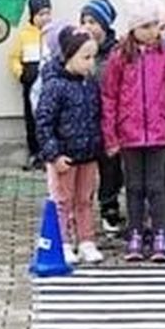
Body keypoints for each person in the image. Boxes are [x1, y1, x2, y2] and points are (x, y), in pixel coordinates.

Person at [100, 0, 165, 263]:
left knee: (157, 186)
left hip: (159, 134)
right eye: (145, 26)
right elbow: (110, 96)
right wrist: (110, 136)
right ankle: (135, 233)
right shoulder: (119, 57)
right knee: (134, 186)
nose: (152, 32)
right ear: (134, 28)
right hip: (130, 134)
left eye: (156, 25)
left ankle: (159, 234)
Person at [35, 23, 106, 264]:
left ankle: (86, 240)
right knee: (62, 201)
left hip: (87, 155)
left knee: (85, 199)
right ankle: (63, 241)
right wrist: (53, 155)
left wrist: (98, 146)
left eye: (93, 57)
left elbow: (97, 116)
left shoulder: (90, 85)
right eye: (85, 57)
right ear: (68, 56)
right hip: (64, 157)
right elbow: (43, 123)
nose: (90, 63)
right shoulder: (55, 86)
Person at [80, 0, 123, 232]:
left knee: (112, 168)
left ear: (105, 25)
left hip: (111, 121)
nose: (88, 27)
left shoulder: (117, 53)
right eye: (84, 21)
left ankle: (109, 207)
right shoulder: (78, 51)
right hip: (84, 121)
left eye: (94, 22)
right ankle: (81, 210)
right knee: (84, 169)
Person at [7, 0, 52, 170]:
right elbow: (12, 58)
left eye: (48, 13)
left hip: (49, 85)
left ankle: (49, 153)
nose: (45, 18)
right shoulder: (24, 35)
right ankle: (35, 153)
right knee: (31, 119)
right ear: (32, 15)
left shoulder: (53, 33)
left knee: (49, 119)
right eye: (41, 14)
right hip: (31, 84)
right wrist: (21, 74)